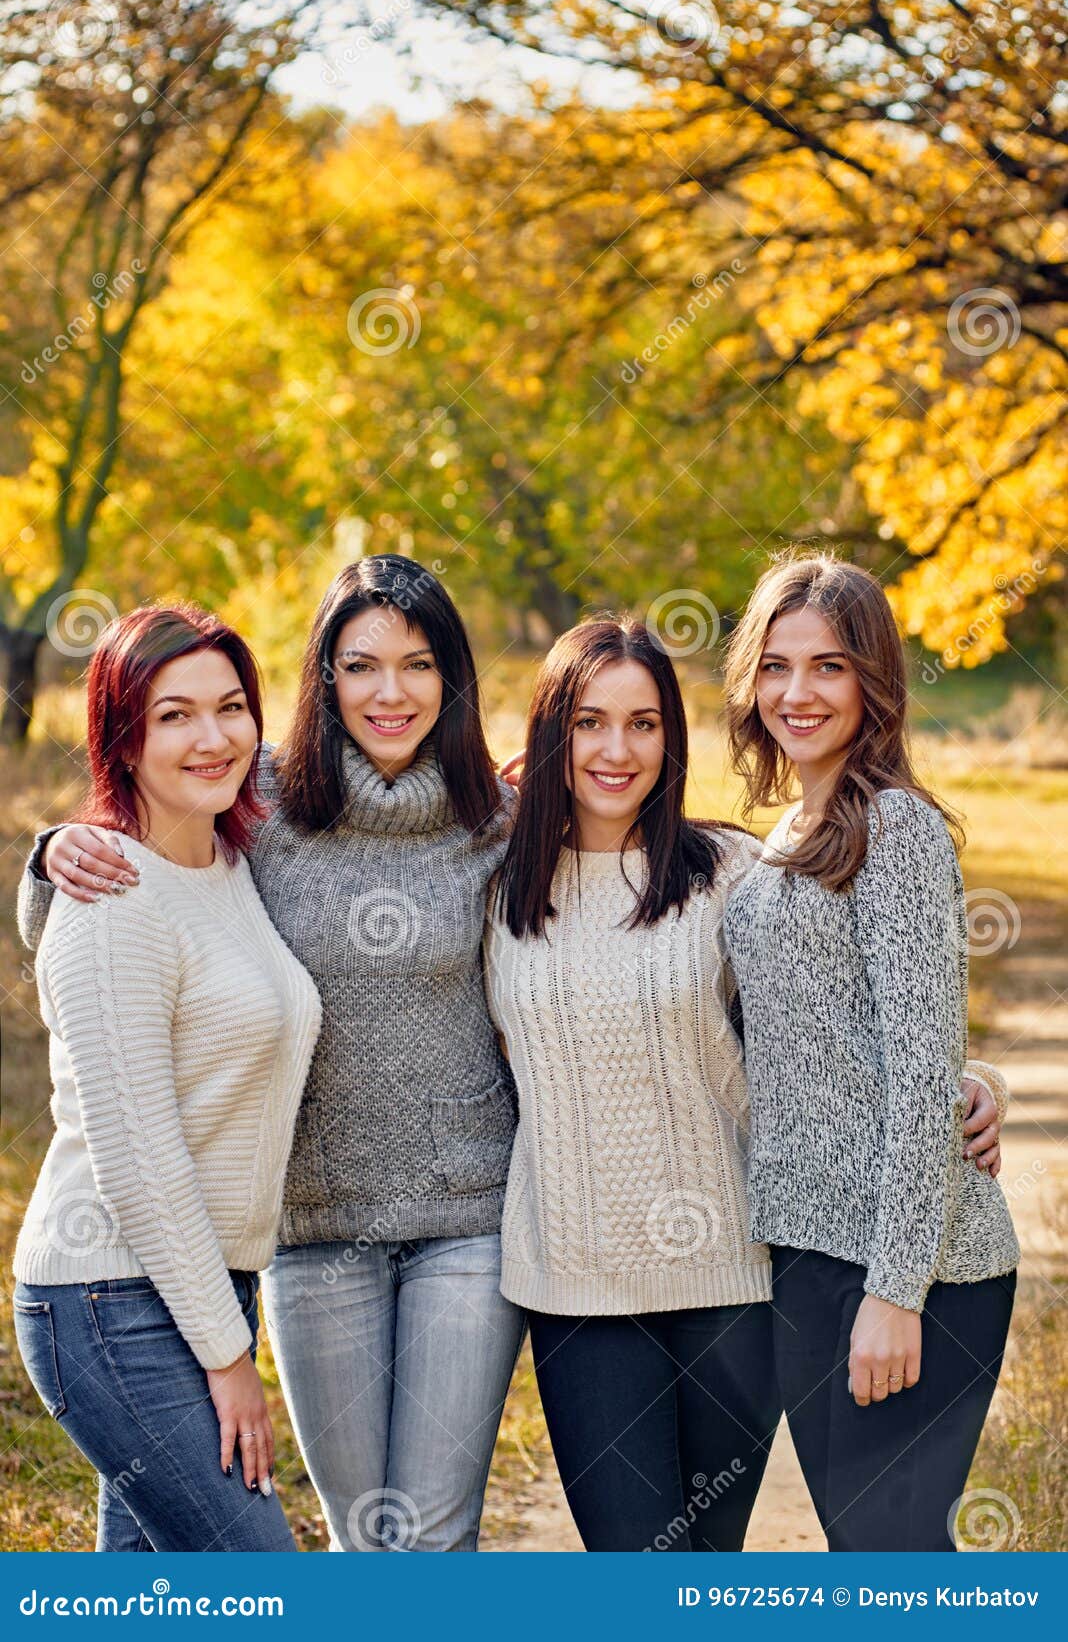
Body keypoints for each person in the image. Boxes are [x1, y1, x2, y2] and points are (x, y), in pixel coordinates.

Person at [18, 558, 525, 1553]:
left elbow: (617, 847)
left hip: (444, 1222)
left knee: (409, 1540)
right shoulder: (261, 799)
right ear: (321, 678)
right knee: (312, 1551)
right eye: (360, 664)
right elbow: (113, 898)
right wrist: (48, 856)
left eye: (419, 665)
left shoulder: (492, 819)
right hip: (274, 1241)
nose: (391, 691)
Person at [721, 553, 1019, 1552]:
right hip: (808, 1257)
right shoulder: (784, 834)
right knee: (867, 1557)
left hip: (911, 1267)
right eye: (776, 665)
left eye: (829, 666)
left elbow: (923, 1063)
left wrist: (896, 1292)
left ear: (874, 682)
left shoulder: (895, 828)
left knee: (895, 1559)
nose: (797, 692)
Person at [13, 605, 322, 1551]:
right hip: (107, 1297)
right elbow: (138, 1161)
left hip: (203, 1283)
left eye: (231, 707)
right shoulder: (110, 901)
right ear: (124, 739)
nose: (213, 736)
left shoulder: (229, 860)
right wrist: (232, 1363)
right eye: (174, 715)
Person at [484, 616, 780, 1551]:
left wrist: (969, 1080)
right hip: (578, 1282)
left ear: (672, 737)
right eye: (588, 722)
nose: (618, 750)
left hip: (732, 1274)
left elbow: (828, 1029)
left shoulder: (731, 871)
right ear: (551, 732)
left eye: (644, 723)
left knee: (707, 1573)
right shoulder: (492, 882)